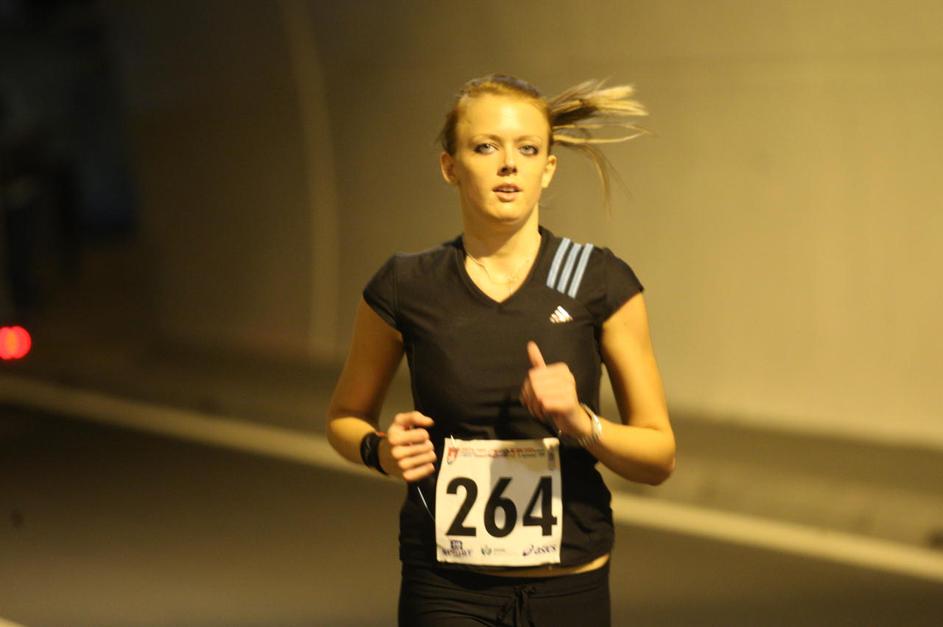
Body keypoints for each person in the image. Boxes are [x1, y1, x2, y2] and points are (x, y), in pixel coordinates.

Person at [327, 74, 675, 626]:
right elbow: (344, 417)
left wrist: (582, 422)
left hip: (570, 584)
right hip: (446, 587)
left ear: (548, 168)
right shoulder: (407, 284)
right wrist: (380, 452)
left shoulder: (598, 280)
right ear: (450, 166)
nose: (509, 164)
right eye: (486, 147)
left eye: (527, 149)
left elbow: (659, 457)